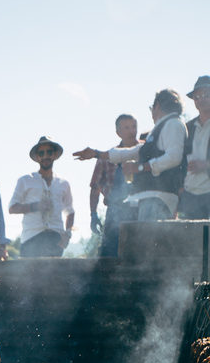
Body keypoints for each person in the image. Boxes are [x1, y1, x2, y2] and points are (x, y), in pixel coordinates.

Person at [73, 88, 186, 221]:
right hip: (149, 198)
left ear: (158, 106)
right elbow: (133, 152)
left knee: (149, 240)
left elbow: (173, 157)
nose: (151, 113)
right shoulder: (161, 128)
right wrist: (96, 154)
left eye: (152, 108)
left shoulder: (173, 123)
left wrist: (140, 167)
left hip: (159, 197)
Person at [8, 136, 74, 257]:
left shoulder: (63, 183)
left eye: (49, 152)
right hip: (31, 239)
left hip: (55, 240)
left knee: (54, 276)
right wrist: (35, 206)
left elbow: (70, 212)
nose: (45, 156)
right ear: (37, 157)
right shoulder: (25, 180)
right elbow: (12, 208)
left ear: (55, 154)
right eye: (41, 153)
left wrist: (67, 235)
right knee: (28, 276)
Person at [89, 114, 139, 257]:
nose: (131, 131)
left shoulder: (146, 151)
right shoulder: (108, 157)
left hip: (140, 210)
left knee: (138, 255)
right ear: (118, 132)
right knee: (110, 255)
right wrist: (93, 214)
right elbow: (95, 187)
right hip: (115, 211)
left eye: (134, 126)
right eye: (127, 128)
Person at [179, 76, 210, 220]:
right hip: (190, 196)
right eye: (197, 96)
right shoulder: (187, 128)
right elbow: (179, 160)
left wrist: (206, 165)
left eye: (206, 95)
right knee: (193, 241)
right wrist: (180, 188)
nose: (201, 99)